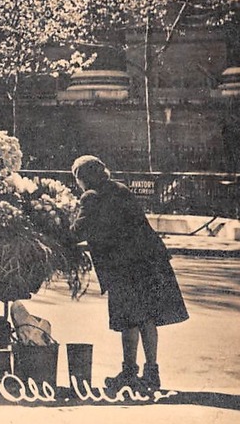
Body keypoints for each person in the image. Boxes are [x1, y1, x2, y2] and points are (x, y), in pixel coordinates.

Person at [71, 154, 189, 394]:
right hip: (149, 261)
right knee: (145, 318)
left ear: (83, 178)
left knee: (129, 319)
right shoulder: (120, 189)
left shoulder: (92, 196)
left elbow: (76, 232)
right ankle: (149, 372)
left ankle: (130, 371)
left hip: (125, 267)